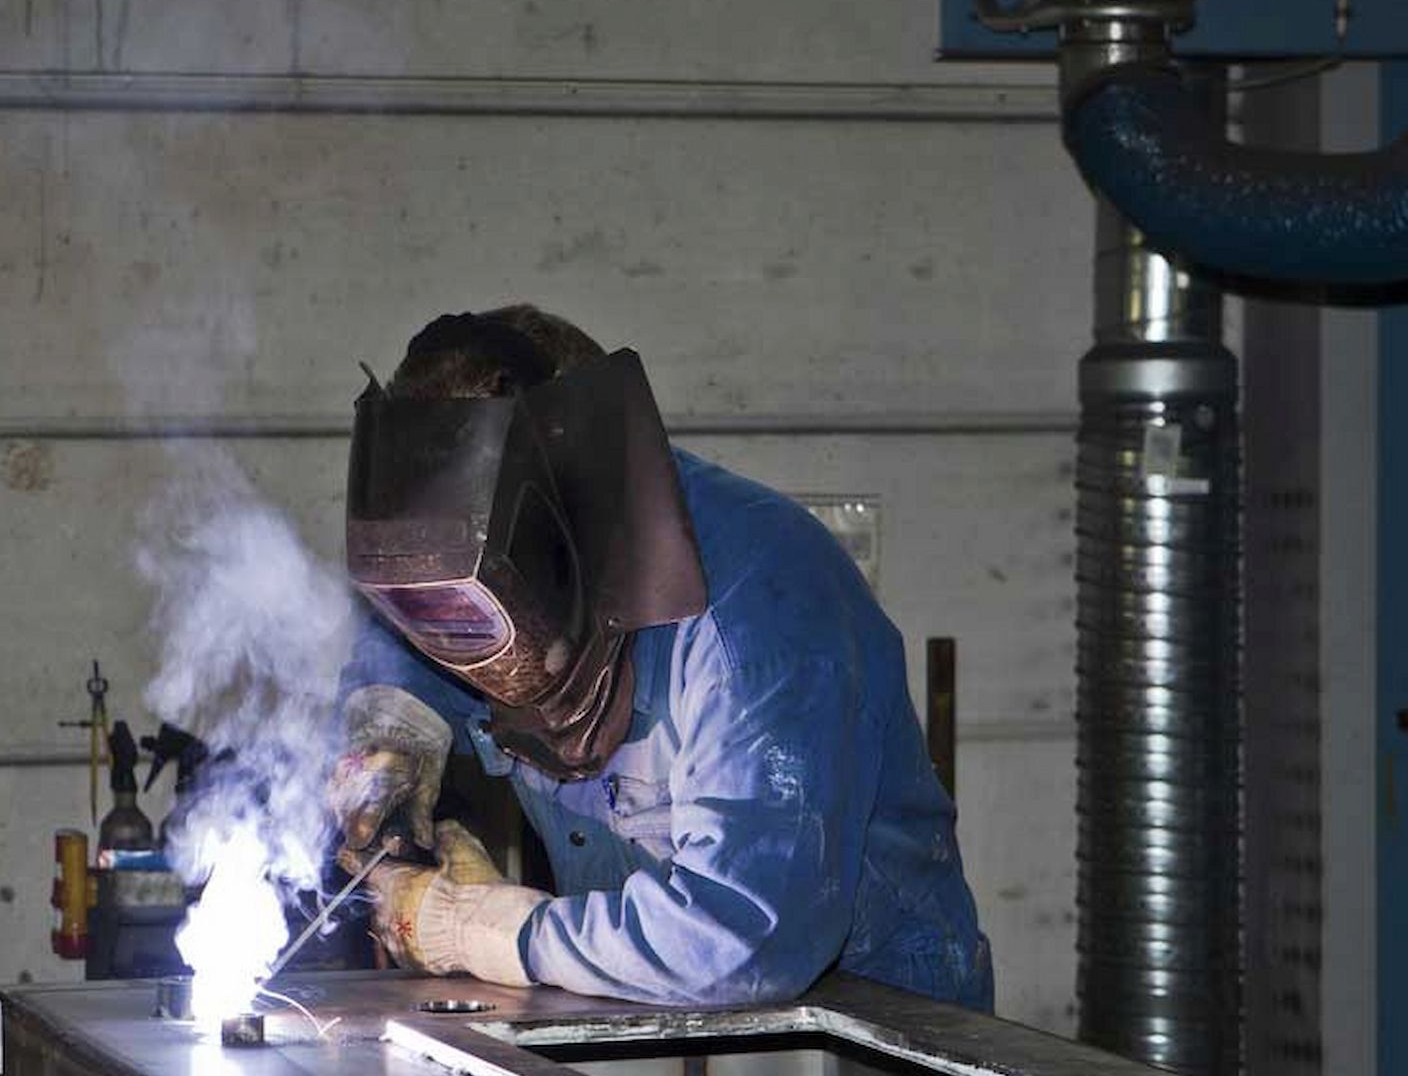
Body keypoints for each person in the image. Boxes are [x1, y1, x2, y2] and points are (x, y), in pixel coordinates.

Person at [327, 305, 992, 1010]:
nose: (459, 636)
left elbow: (743, 937)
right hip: (640, 1017)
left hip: (878, 1040)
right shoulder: (494, 568)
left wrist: (478, 928)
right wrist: (394, 728)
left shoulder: (759, 606)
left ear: (575, 516)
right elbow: (410, 642)